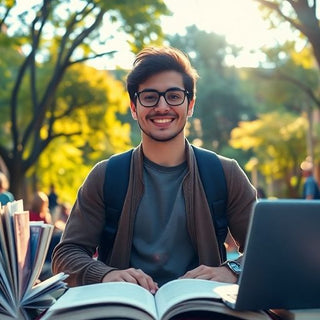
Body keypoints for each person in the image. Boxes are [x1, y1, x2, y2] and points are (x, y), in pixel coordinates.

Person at [52, 46, 256, 293]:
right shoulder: (105, 175)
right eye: (149, 97)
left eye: (174, 96)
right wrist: (106, 275)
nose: (162, 107)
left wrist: (232, 270)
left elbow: (268, 248)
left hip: (202, 310)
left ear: (190, 105)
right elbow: (66, 254)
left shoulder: (225, 173)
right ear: (133, 107)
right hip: (125, 310)